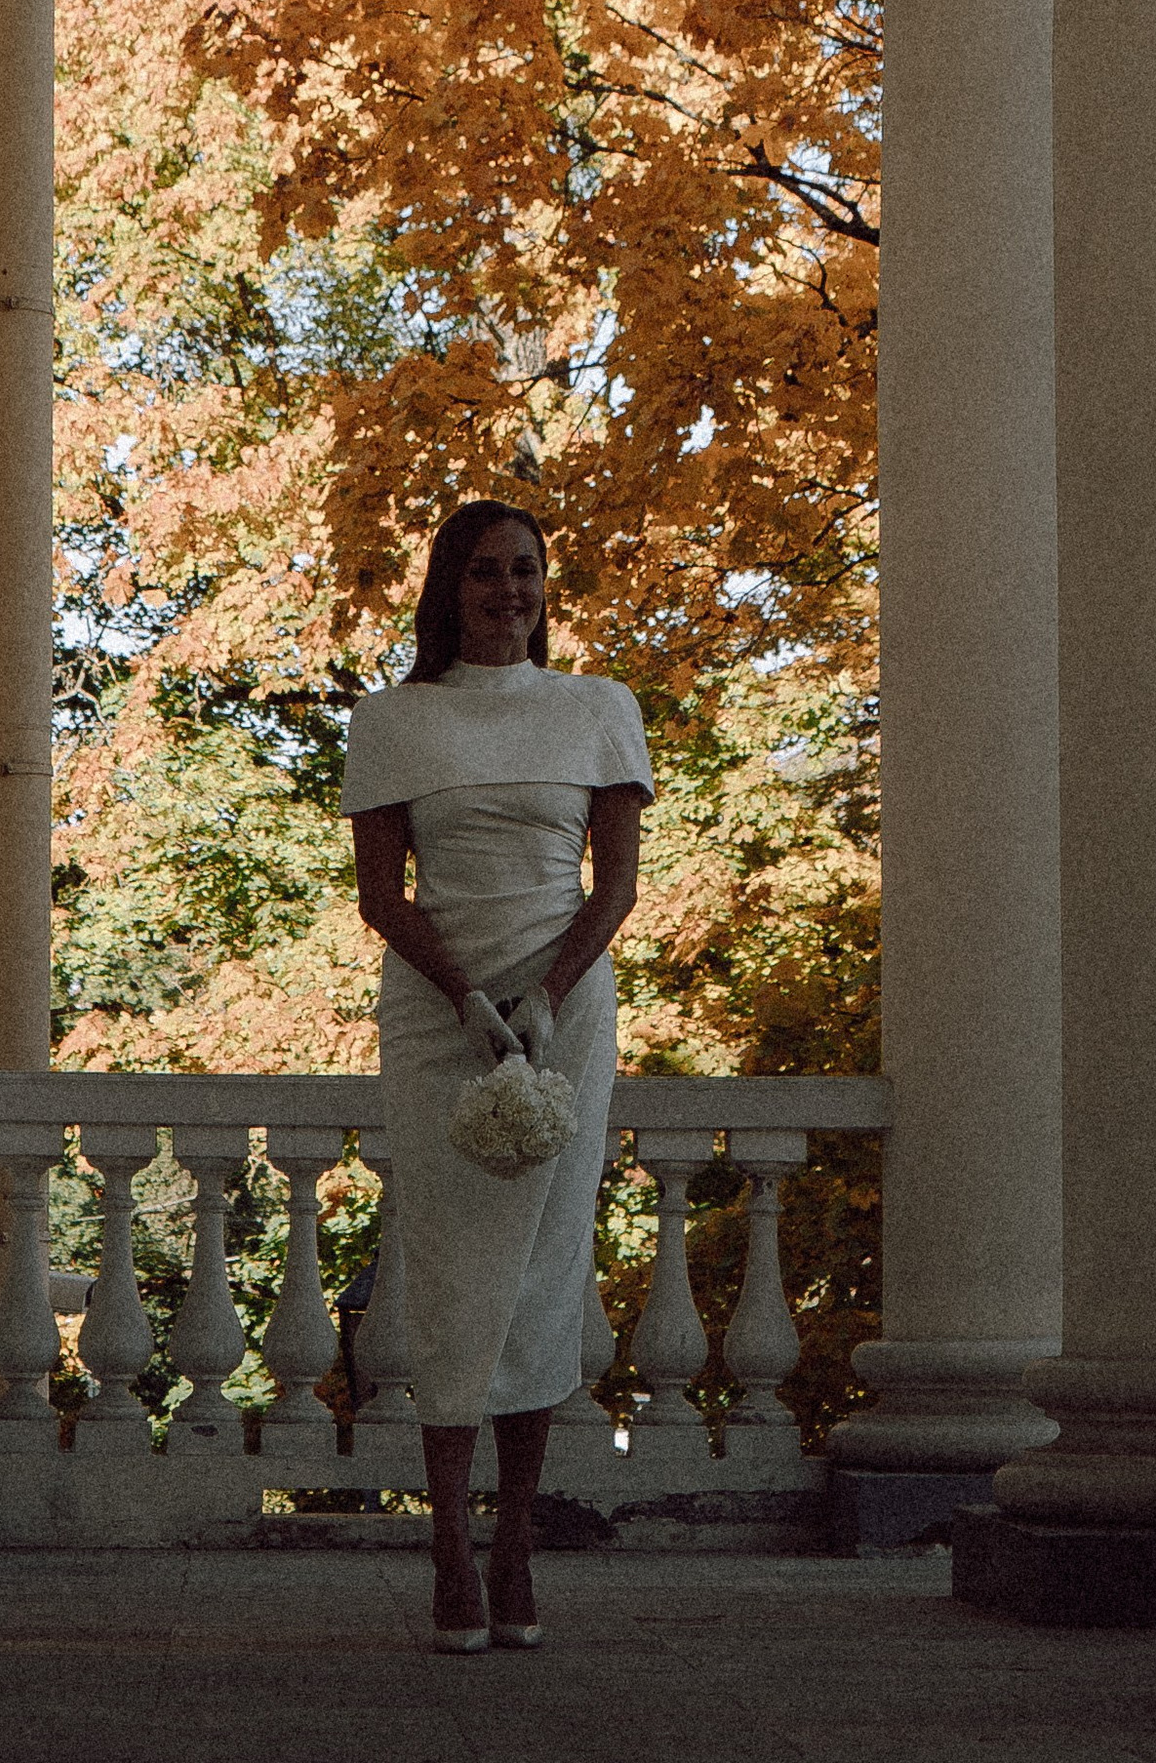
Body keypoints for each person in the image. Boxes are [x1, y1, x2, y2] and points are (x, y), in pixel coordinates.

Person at [342, 500, 652, 1651]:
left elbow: (612, 887)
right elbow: (383, 894)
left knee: (542, 1272)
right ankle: (448, 1557)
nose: (507, 591)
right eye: (484, 573)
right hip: (440, 1012)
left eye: (524, 571)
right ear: (448, 586)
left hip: (561, 1007)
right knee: (453, 1272)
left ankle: (517, 1549)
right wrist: (468, 998)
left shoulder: (597, 710)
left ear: (542, 585)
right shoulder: (393, 719)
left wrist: (543, 997)